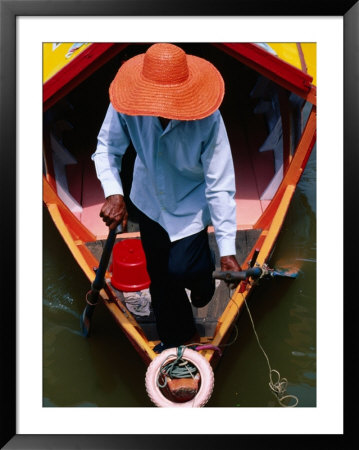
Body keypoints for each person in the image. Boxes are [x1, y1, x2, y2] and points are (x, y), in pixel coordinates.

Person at [92, 43, 241, 352]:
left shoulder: (208, 119)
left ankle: (202, 283)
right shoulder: (125, 102)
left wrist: (228, 250)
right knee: (160, 277)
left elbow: (220, 184)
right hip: (147, 199)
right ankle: (177, 338)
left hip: (190, 202)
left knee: (187, 271)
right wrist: (114, 192)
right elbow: (107, 148)